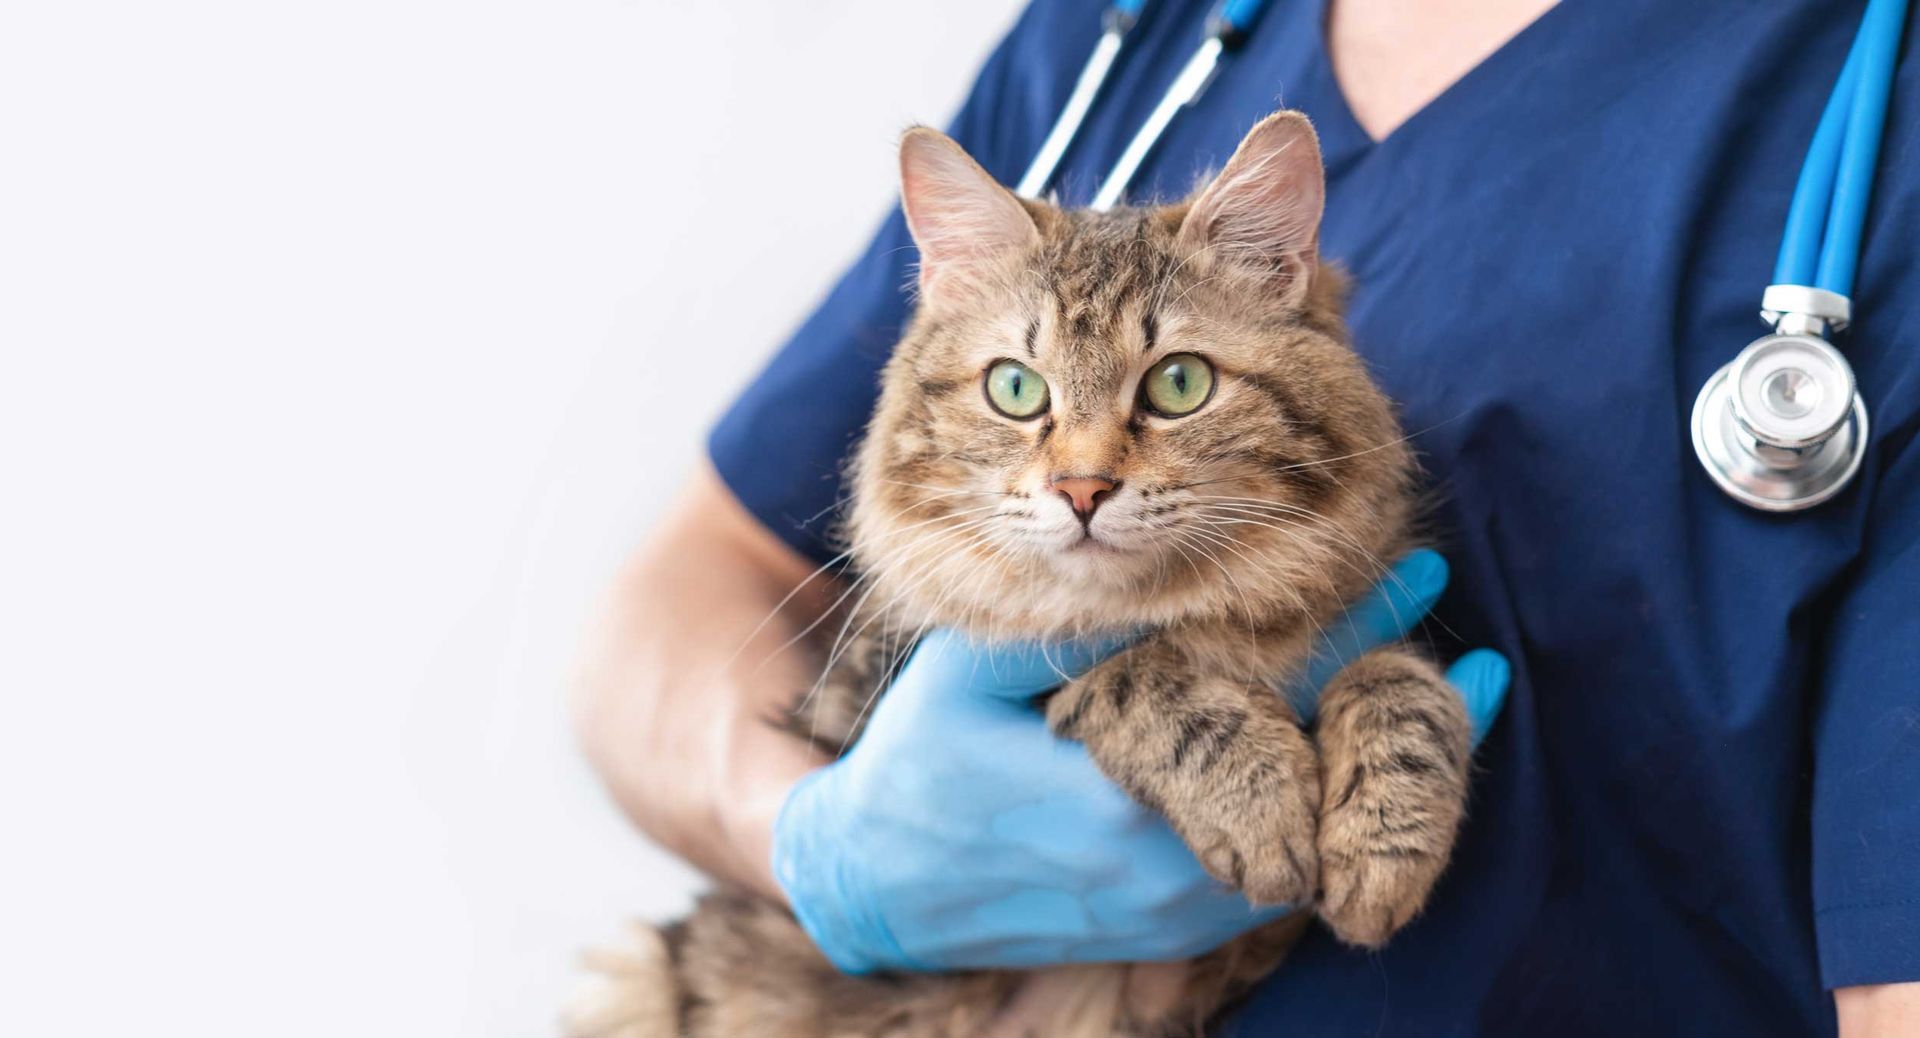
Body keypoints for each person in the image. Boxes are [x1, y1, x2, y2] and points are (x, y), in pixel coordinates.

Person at [573, 0, 1920, 1033]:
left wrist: (1386, 707)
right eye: (1029, 394)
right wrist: (816, 842)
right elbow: (705, 573)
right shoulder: (1125, 31)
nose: (1086, 466)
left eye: (1169, 388)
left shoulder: (1880, 110)